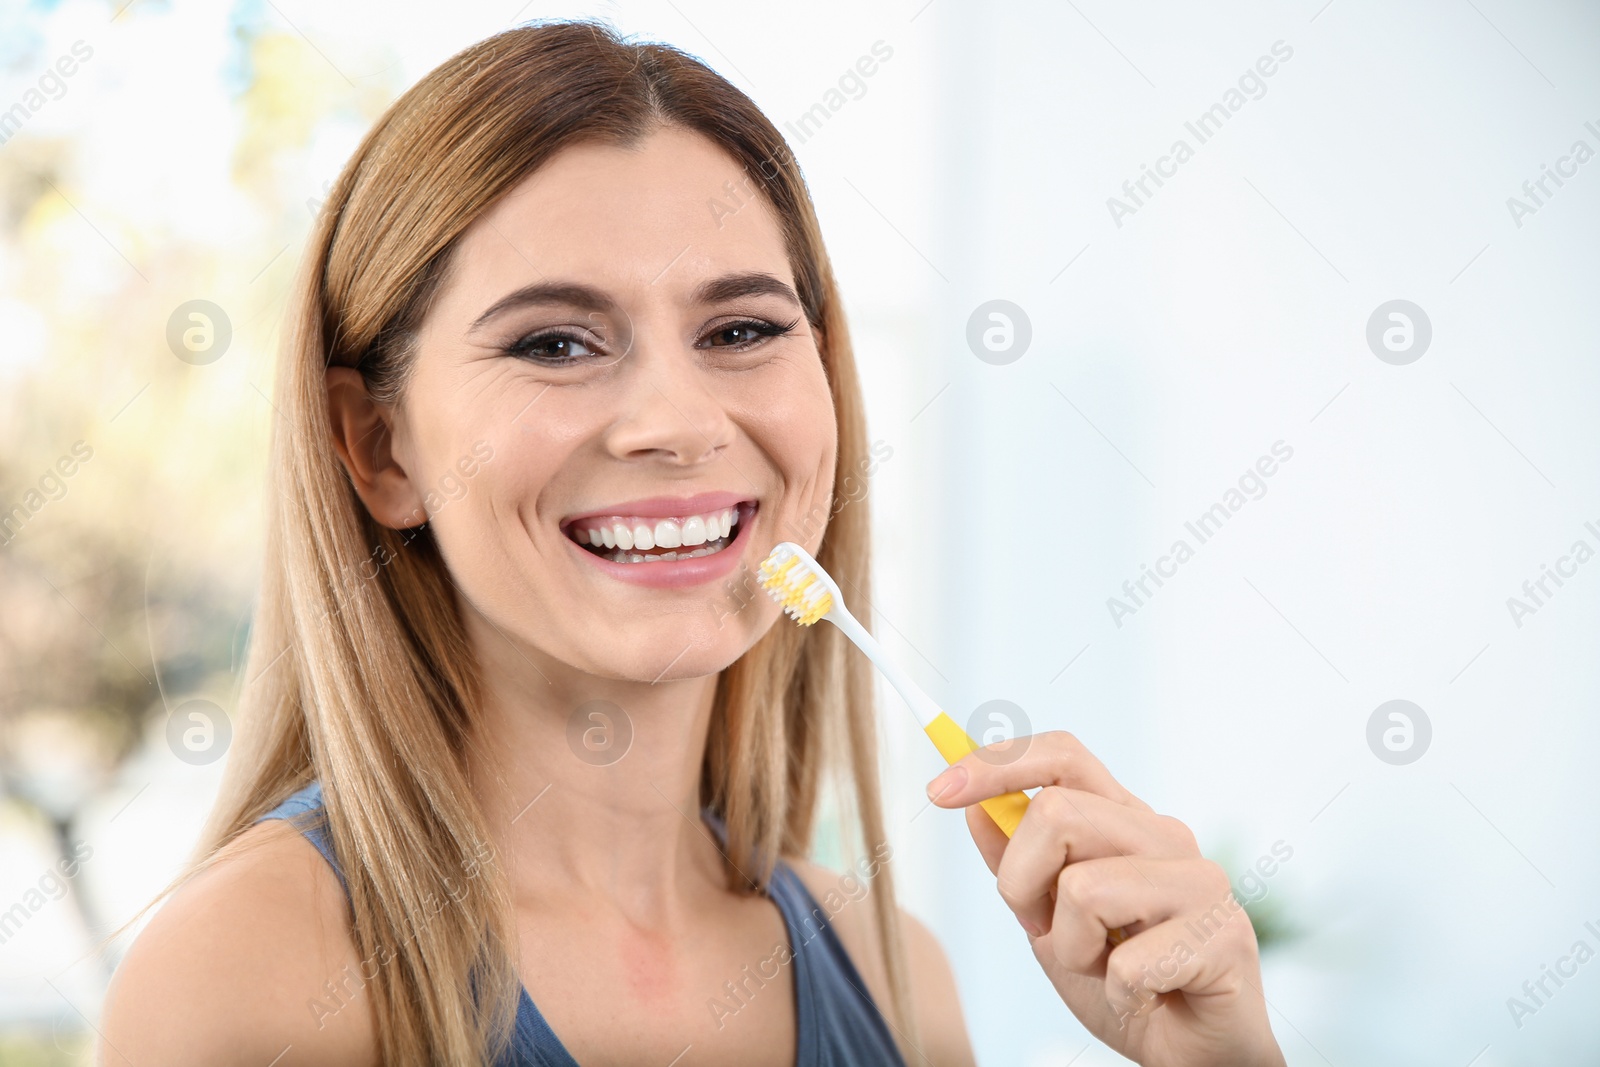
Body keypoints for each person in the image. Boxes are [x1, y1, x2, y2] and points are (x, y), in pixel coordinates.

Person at [100, 20, 1285, 1066]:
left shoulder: (894, 974)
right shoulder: (245, 976)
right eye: (554, 343)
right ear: (380, 449)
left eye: (739, 327)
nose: (677, 422)